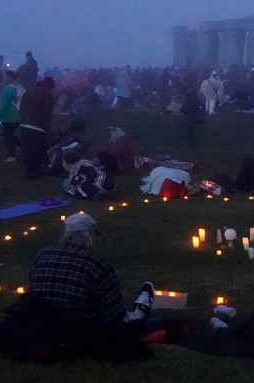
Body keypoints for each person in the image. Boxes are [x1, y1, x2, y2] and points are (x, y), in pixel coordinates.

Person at [21, 213, 155, 359]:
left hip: (43, 322)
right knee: (136, 320)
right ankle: (142, 306)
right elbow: (114, 316)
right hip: (80, 329)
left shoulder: (43, 255)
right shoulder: (97, 265)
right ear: (88, 235)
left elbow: (31, 292)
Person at [19, 77, 55, 179]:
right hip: (38, 126)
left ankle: (29, 172)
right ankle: (37, 173)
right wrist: (47, 124)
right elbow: (47, 111)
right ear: (50, 86)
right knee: (37, 151)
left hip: (25, 124)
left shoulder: (29, 90)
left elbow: (21, 106)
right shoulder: (46, 94)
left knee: (27, 150)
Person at [0, 69, 22, 162]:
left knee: (7, 135)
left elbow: (3, 104)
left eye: (5, 76)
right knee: (10, 134)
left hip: (9, 116)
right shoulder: (20, 88)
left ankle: (12, 155)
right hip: (19, 115)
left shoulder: (7, 89)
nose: (3, 78)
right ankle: (23, 147)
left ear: (9, 77)